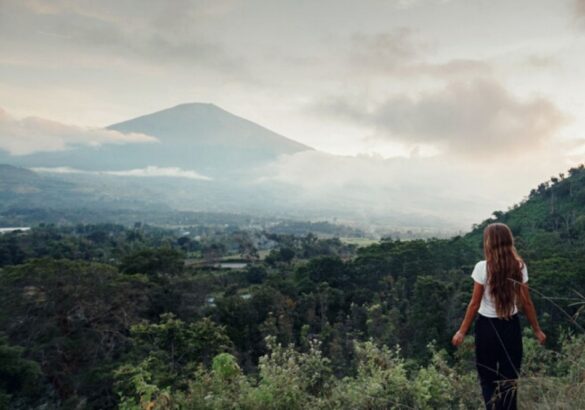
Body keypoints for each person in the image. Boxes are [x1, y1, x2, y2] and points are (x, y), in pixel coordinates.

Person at [451, 222, 546, 410]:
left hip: (486, 328)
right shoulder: (519, 266)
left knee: (487, 379)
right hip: (511, 327)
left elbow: (474, 303)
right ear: (509, 241)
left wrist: (462, 332)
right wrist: (537, 330)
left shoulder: (482, 267)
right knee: (509, 379)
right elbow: (527, 302)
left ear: (488, 243)